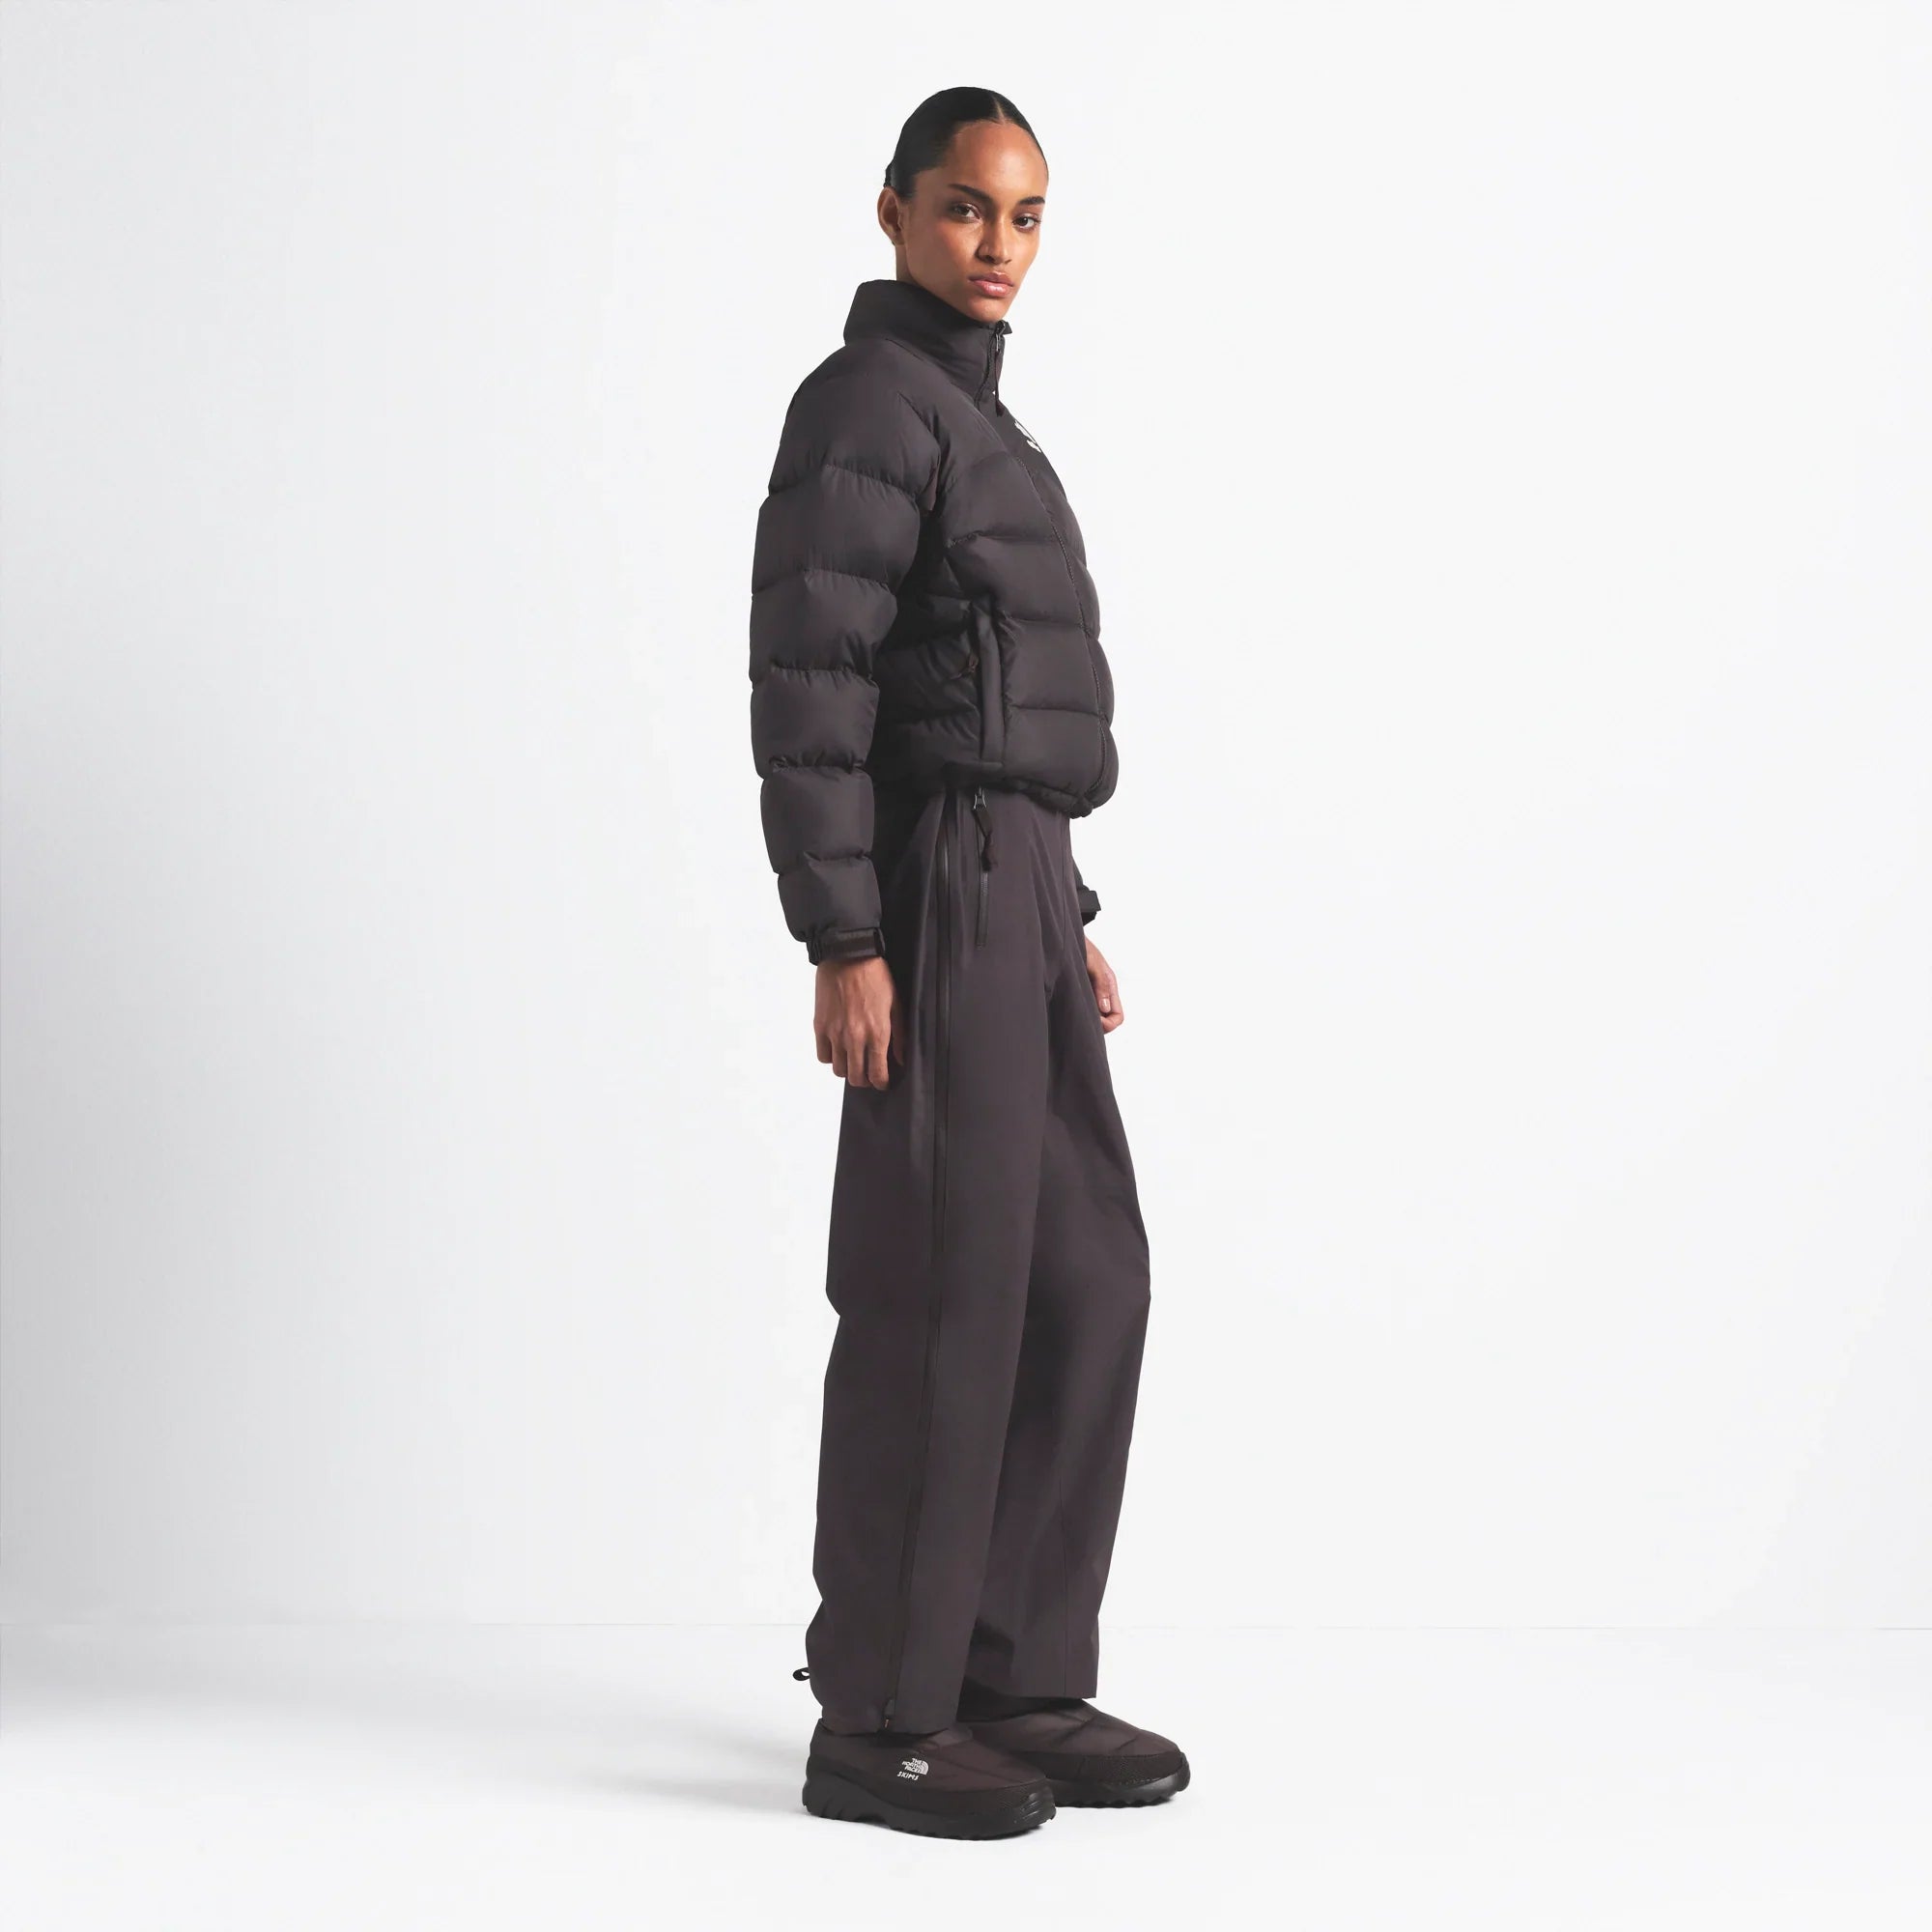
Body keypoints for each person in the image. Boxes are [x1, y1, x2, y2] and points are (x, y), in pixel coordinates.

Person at [747, 87, 1187, 1839]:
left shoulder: (982, 424)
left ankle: (1011, 1674)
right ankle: (882, 1714)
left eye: (1025, 216)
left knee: (1085, 1282)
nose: (998, 245)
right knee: (941, 1294)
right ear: (893, 213)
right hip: (933, 893)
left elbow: (981, 688)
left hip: (1027, 888)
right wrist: (846, 935)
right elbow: (816, 685)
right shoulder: (869, 404)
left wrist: (1065, 914)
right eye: (965, 209)